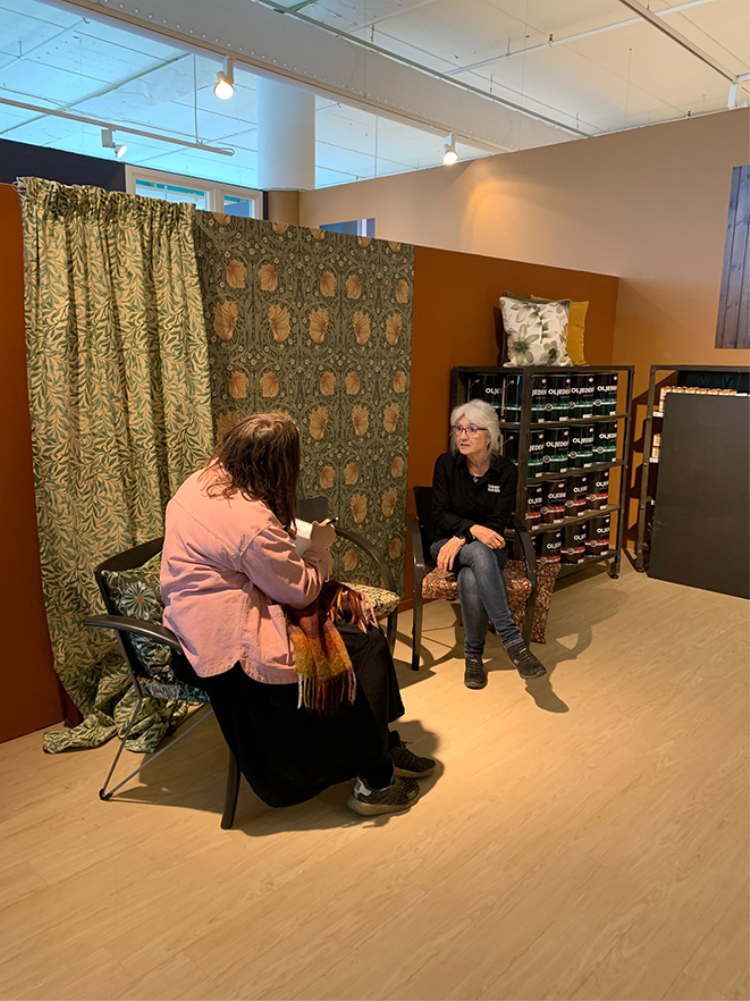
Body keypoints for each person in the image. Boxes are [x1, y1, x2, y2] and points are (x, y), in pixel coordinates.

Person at [160, 411, 434, 817]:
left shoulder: (202, 481)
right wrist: (320, 546)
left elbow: (244, 556)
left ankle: (383, 745)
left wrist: (282, 545)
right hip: (226, 638)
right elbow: (300, 589)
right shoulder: (248, 524)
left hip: (191, 616)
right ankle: (376, 780)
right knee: (364, 643)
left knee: (364, 639)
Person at [430, 399, 547, 689]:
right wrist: (466, 533)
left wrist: (465, 536)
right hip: (443, 547)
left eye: (472, 429)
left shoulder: (506, 471)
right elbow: (440, 515)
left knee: (471, 574)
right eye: (459, 429)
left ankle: (473, 658)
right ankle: (514, 643)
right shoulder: (446, 464)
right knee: (478, 550)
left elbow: (496, 526)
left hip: (486, 549)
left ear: (489, 435)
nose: (463, 436)